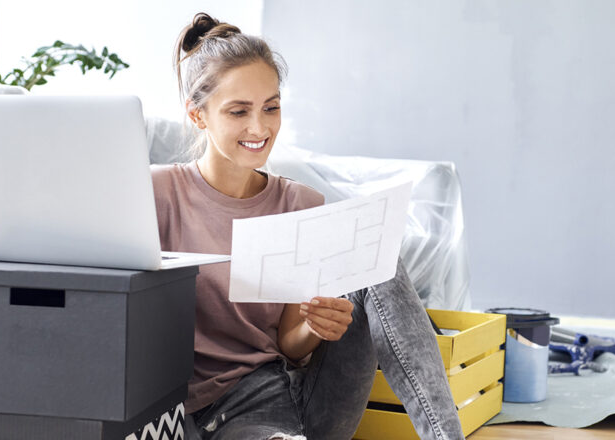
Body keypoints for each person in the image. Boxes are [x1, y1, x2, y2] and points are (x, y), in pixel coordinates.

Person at [151, 12, 465, 440]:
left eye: (271, 107)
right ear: (198, 115)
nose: (259, 128)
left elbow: (287, 344)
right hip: (201, 413)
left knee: (381, 254)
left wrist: (314, 329)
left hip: (292, 401)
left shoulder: (298, 202)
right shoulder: (157, 192)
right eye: (239, 111)